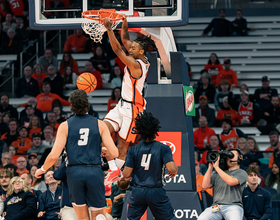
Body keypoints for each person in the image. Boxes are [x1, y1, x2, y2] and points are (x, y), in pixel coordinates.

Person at [35, 89, 119, 220]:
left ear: (71, 106)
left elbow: (53, 155)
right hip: (94, 171)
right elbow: (114, 152)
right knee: (99, 214)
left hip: (74, 172)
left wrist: (42, 169)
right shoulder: (100, 124)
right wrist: (103, 150)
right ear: (87, 104)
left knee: (82, 218)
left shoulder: (65, 125)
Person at [103, 15, 154, 179]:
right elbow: (125, 40)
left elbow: (118, 50)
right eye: (130, 47)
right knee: (102, 130)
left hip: (133, 109)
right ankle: (112, 169)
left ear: (141, 51)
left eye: (133, 48)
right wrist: (124, 23)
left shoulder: (136, 65)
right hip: (122, 104)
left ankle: (116, 174)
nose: (129, 49)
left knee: (122, 145)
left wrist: (109, 29)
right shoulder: (139, 56)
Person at [122, 111, 178, 220]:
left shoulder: (133, 149)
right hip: (156, 191)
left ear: (139, 130)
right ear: (155, 130)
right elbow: (171, 168)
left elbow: (126, 174)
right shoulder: (163, 148)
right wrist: (174, 171)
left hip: (138, 191)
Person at [197, 149, 248, 220]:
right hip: (216, 206)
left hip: (233, 206)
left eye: (231, 155)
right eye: (227, 156)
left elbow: (231, 182)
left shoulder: (242, 173)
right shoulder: (218, 172)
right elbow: (205, 186)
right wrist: (210, 167)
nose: (229, 158)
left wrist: (217, 168)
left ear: (239, 158)